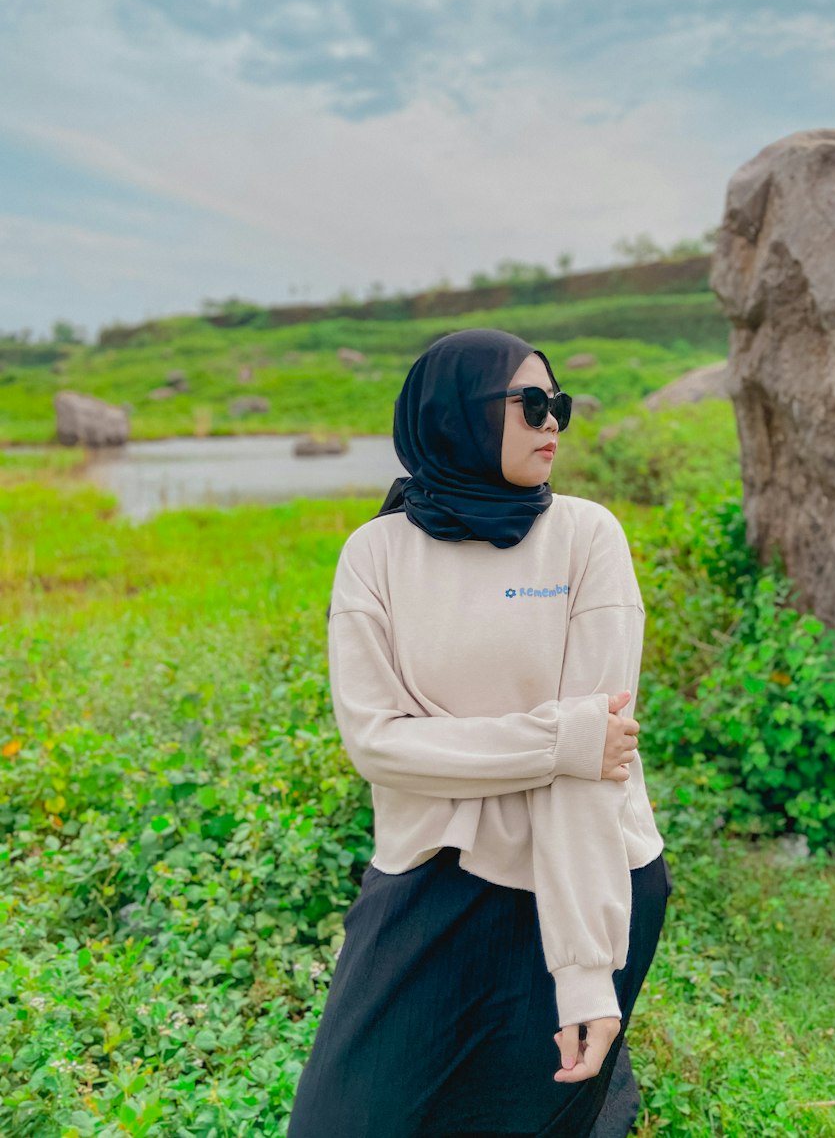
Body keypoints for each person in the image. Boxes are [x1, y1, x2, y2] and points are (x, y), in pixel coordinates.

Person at [287, 328, 671, 1138]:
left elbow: (588, 777)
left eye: (558, 404)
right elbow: (379, 745)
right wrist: (560, 737)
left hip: (582, 873)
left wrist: (583, 972)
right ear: (454, 415)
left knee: (528, 1117)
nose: (553, 423)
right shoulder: (375, 556)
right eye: (531, 405)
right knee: (342, 1121)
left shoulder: (586, 536)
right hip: (433, 870)